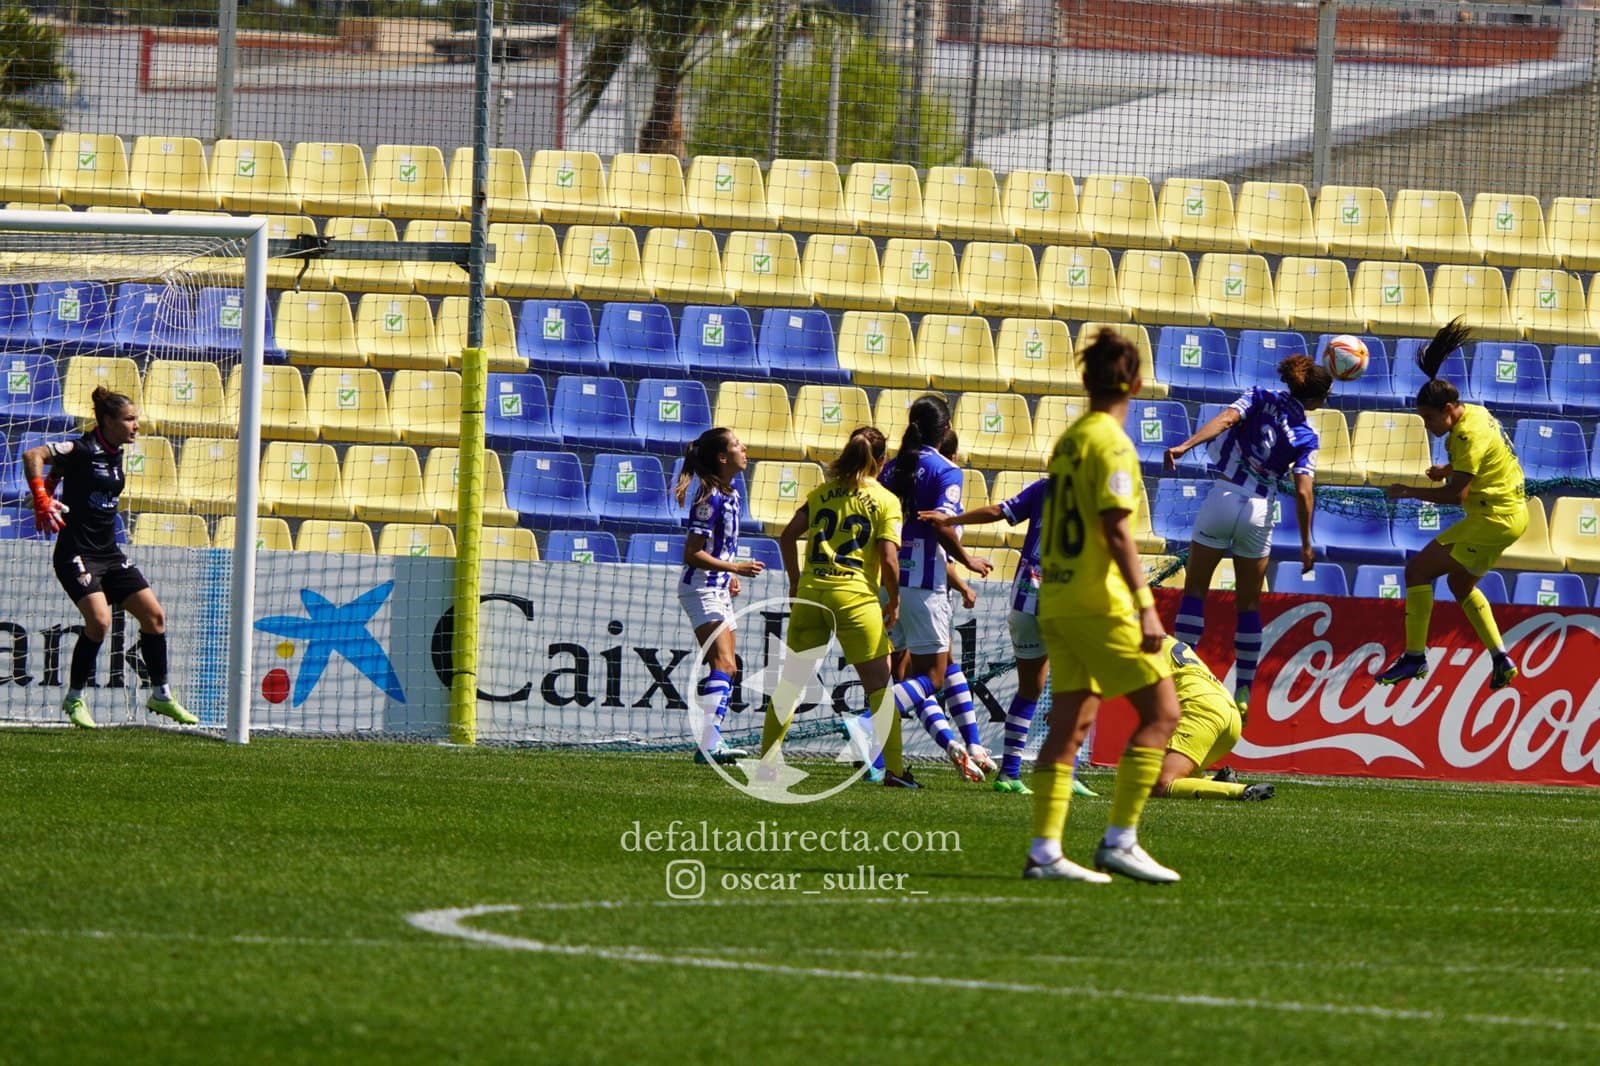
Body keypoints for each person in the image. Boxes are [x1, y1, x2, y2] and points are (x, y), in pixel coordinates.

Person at [1025, 327, 1183, 884]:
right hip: (1100, 600)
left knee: (1071, 720)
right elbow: (1117, 530)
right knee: (1163, 714)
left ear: (1086, 381)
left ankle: (1045, 851)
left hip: (1058, 597)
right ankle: (1121, 839)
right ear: (1136, 383)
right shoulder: (1113, 442)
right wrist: (1145, 605)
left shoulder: (1070, 439)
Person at [764, 427, 937, 788]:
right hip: (855, 597)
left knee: (791, 683)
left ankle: (766, 764)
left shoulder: (821, 492)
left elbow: (786, 536)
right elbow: (889, 559)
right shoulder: (886, 500)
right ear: (883, 460)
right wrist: (895, 599)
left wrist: (796, 580)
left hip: (813, 592)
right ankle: (895, 771)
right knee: (879, 689)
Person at [1162, 354, 1333, 714]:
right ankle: (1242, 691)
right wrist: (1305, 544)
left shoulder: (1258, 395)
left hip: (1223, 497)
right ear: (1316, 400)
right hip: (1258, 511)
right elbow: (1303, 492)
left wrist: (1184, 446)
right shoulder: (1307, 436)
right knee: (1249, 604)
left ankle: (1178, 678)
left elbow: (1225, 420)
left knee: (1194, 590)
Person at [23, 386, 197, 730]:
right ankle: (74, 698)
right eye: (129, 419)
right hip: (76, 553)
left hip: (109, 553)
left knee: (155, 617)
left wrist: (56, 482)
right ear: (107, 421)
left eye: (137, 419)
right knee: (100, 623)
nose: (136, 426)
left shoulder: (115, 451)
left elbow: (65, 473)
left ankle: (161, 695)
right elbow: (33, 456)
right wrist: (42, 498)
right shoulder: (83, 447)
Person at [919, 472, 1097, 799]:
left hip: (1025, 597)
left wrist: (952, 518)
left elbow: (998, 511)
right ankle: (1064, 772)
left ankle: (1011, 773)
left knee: (1030, 689)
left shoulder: (1048, 486)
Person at [1377, 319, 1526, 690]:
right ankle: (1501, 658)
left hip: (1492, 518)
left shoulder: (1466, 434)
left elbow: (1454, 496)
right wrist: (1448, 469)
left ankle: (1414, 657)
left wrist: (1410, 492)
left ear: (1447, 409)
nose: (1426, 426)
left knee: (1417, 572)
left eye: (1428, 418)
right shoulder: (1475, 412)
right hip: (1511, 516)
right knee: (1460, 584)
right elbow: (1482, 463)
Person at [880, 397, 992, 784]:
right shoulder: (946, 471)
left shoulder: (890, 469)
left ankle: (962, 746)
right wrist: (967, 562)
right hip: (926, 585)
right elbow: (943, 525)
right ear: (946, 432)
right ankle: (869, 721)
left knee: (915, 674)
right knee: (936, 675)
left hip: (889, 583)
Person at [674, 428, 765, 764]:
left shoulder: (731, 493)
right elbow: (692, 552)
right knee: (723, 663)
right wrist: (734, 568)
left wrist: (727, 574)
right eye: (737, 445)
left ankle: (710, 742)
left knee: (727, 666)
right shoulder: (709, 497)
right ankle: (709, 744)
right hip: (700, 588)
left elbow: (716, 545)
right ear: (722, 458)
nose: (745, 448)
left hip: (716, 586)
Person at [1152, 637, 1275, 802]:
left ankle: (1241, 791)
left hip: (1201, 710)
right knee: (1177, 773)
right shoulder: (1156, 635)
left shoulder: (1126, 637)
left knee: (1162, 783)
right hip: (1227, 710)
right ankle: (1218, 782)